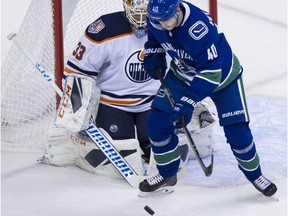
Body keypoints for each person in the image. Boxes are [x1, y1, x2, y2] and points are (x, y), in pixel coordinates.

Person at [40, 0, 216, 178]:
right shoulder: (103, 30)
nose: (141, 18)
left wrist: (194, 98)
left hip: (153, 102)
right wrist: (77, 110)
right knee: (121, 149)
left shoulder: (173, 27)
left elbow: (196, 65)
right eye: (136, 11)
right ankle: (81, 145)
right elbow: (77, 71)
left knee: (158, 145)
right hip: (112, 104)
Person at [138, 0, 277, 197]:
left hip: (223, 78)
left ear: (177, 9)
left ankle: (256, 175)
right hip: (183, 74)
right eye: (158, 21)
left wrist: (187, 103)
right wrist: (153, 51)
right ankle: (167, 174)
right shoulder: (157, 17)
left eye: (167, 21)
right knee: (157, 123)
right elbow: (155, 37)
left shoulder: (198, 28)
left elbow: (211, 72)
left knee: (238, 133)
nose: (163, 25)